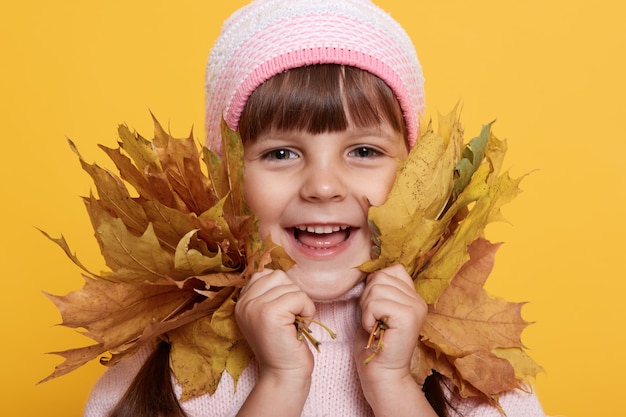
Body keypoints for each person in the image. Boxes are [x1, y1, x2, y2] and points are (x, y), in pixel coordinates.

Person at [83, 1, 547, 416]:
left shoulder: (472, 363)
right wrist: (280, 384)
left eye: (364, 151)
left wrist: (394, 387)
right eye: (281, 154)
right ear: (226, 181)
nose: (323, 186)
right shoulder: (160, 366)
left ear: (414, 176)